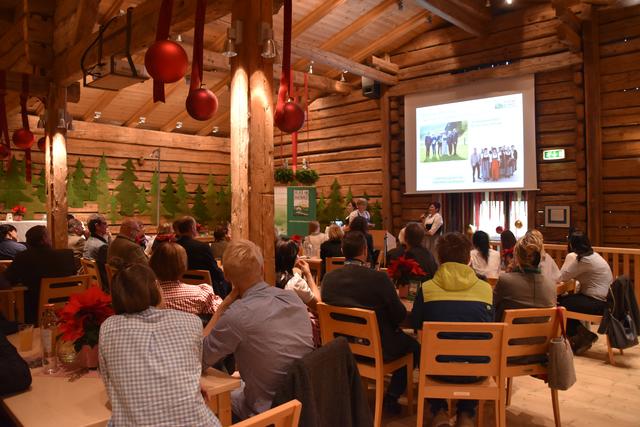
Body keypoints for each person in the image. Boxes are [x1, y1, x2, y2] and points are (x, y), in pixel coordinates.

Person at [202, 239, 314, 420]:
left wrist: (222, 308)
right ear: (262, 269)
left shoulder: (235, 315)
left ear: (227, 277)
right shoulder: (293, 299)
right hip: (305, 400)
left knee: (210, 395)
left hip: (269, 412)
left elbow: (198, 359)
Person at [99, 262, 220, 427]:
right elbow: (193, 364)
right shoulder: (191, 321)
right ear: (156, 287)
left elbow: (110, 382)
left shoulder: (108, 328)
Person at [322, 231, 419, 414]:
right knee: (414, 347)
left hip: (341, 348)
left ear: (343, 250)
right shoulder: (379, 279)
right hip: (376, 349)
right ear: (365, 250)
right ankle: (391, 397)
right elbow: (398, 316)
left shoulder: (329, 279)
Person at [410, 232, 493, 427]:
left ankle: (438, 411)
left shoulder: (427, 289)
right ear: (468, 258)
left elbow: (416, 326)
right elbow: (489, 330)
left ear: (439, 258)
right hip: (476, 370)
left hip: (437, 369)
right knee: (473, 349)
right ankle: (466, 412)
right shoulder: (485, 289)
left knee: (425, 351)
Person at [4, 226, 76, 324]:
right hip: (67, 304)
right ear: (44, 239)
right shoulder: (67, 254)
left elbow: (9, 278)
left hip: (34, 309)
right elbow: (73, 276)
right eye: (48, 236)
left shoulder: (23, 257)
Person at [558, 231, 613, 354]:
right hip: (605, 301)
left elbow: (562, 277)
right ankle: (584, 335)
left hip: (597, 303)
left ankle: (583, 337)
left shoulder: (584, 260)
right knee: (566, 302)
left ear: (572, 246)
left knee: (560, 305)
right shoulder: (594, 256)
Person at [493, 233, 557, 321]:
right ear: (540, 257)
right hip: (543, 334)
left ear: (517, 256)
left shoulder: (505, 280)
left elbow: (491, 306)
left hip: (511, 333)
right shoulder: (551, 284)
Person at [150, 242, 222, 316]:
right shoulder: (201, 294)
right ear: (183, 266)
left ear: (152, 263)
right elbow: (220, 312)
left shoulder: (146, 298)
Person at [175, 217, 229, 298]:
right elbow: (215, 271)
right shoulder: (203, 247)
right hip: (204, 290)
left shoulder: (173, 247)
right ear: (192, 228)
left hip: (179, 289)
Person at [275, 239, 321, 310]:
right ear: (291, 258)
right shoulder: (295, 282)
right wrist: (308, 274)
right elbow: (318, 305)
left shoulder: (268, 276)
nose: (298, 257)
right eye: (296, 255)